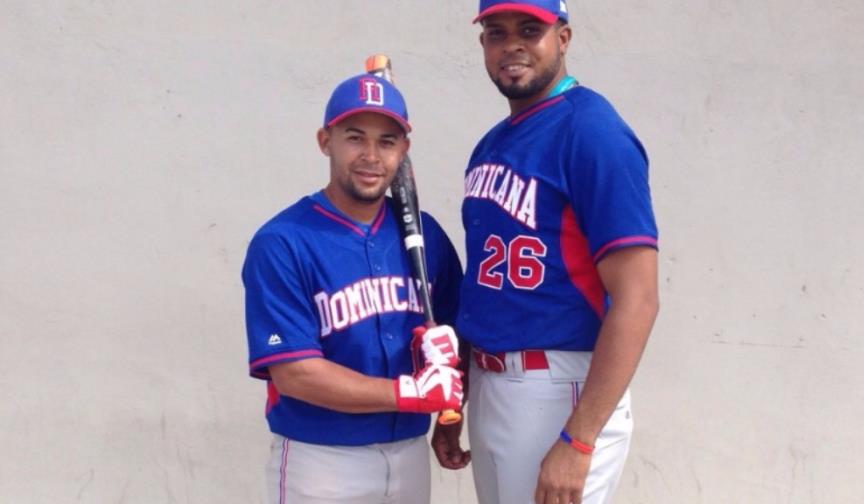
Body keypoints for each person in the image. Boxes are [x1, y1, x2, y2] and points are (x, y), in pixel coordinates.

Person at [431, 1, 660, 503]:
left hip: (560, 387)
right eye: (497, 32)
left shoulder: (593, 133)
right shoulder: (491, 144)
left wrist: (579, 439)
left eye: (529, 29)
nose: (511, 45)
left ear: (563, 37)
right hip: (490, 383)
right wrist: (457, 395)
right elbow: (485, 289)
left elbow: (638, 299)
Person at [242, 72, 464, 504]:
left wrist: (450, 392)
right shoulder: (283, 242)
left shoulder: (425, 235)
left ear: (404, 150)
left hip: (410, 452)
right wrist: (410, 392)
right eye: (355, 138)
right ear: (325, 141)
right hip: (321, 461)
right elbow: (295, 374)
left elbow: (459, 333)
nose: (371, 156)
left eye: (386, 141)